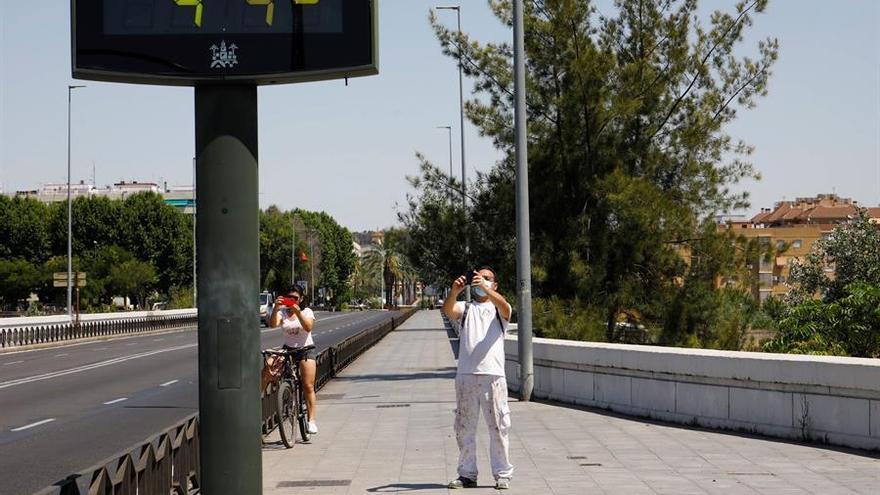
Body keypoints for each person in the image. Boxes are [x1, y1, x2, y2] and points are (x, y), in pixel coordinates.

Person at [442, 266, 514, 490]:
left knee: (498, 427)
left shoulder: (499, 310)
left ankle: (502, 474)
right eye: (479, 278)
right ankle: (466, 474)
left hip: (493, 376)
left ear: (495, 284)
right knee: (464, 427)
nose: (481, 281)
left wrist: (485, 288)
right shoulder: (467, 308)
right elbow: (449, 310)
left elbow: (504, 306)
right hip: (466, 376)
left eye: (487, 278)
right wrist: (454, 291)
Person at [269, 284, 319, 434]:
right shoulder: (283, 312)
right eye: (288, 298)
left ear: (301, 299)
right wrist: (276, 308)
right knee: (268, 366)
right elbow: (273, 325)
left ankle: (311, 420)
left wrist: (298, 312)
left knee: (308, 385)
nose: (292, 300)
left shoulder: (307, 311)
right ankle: (255, 404)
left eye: (295, 298)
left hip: (306, 350)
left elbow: (308, 327)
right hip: (288, 350)